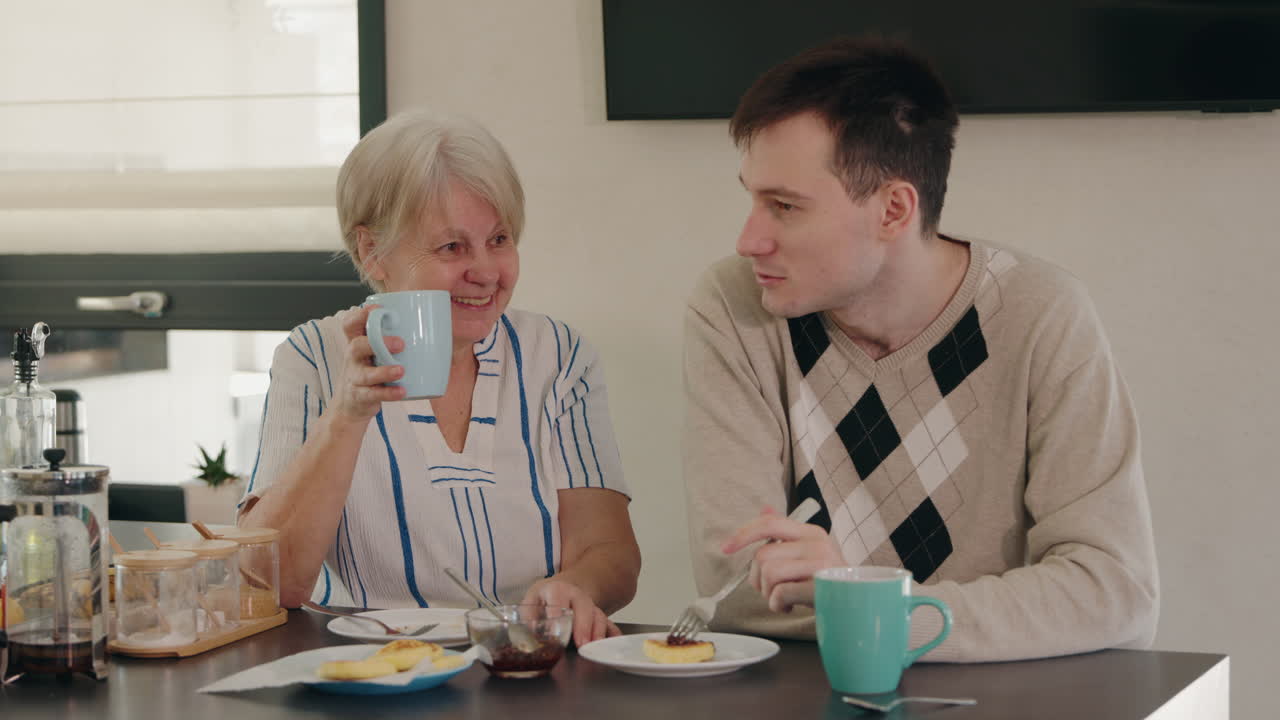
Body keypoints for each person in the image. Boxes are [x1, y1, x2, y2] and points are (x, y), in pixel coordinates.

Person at [683, 37, 1158, 661]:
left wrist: (866, 606)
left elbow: (1112, 591)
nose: (750, 239)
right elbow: (737, 588)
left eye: (784, 206)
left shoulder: (1041, 314)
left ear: (893, 209)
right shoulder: (734, 307)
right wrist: (955, 617)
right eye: (751, 198)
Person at [239, 110, 641, 646]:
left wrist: (575, 585)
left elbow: (612, 554)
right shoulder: (311, 358)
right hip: (364, 670)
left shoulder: (559, 356)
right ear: (371, 252)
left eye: (499, 239)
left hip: (522, 665)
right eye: (452, 247)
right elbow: (267, 580)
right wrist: (349, 412)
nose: (486, 272)